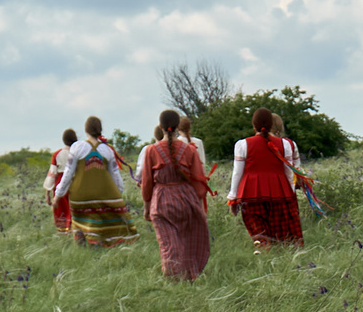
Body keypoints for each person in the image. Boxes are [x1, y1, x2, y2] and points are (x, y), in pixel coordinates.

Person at [138, 108, 214, 281]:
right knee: (187, 240)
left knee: (168, 244)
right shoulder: (190, 150)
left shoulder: (151, 151)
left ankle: (173, 277)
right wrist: (199, 207)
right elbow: (199, 184)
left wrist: (146, 208)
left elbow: (147, 183)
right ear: (177, 126)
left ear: (161, 127)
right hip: (186, 200)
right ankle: (189, 276)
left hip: (162, 201)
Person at [228, 108, 307, 249]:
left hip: (251, 194)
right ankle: (280, 257)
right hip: (280, 192)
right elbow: (289, 173)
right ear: (271, 125)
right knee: (281, 234)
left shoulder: (242, 145)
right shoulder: (285, 144)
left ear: (253, 125)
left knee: (259, 235)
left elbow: (237, 173)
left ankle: (265, 253)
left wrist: (233, 198)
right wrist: (291, 194)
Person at [59, 116, 137, 248]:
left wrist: (59, 193)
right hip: (104, 196)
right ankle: (100, 244)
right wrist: (118, 194)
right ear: (100, 130)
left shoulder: (77, 147)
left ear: (86, 130)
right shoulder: (107, 150)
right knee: (103, 221)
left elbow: (68, 173)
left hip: (80, 197)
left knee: (80, 223)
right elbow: (116, 176)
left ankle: (84, 249)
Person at [45, 127, 77, 233]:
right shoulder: (77, 153)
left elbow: (52, 174)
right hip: (75, 184)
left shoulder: (57, 154)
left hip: (60, 185)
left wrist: (47, 193)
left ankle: (63, 234)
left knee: (61, 212)